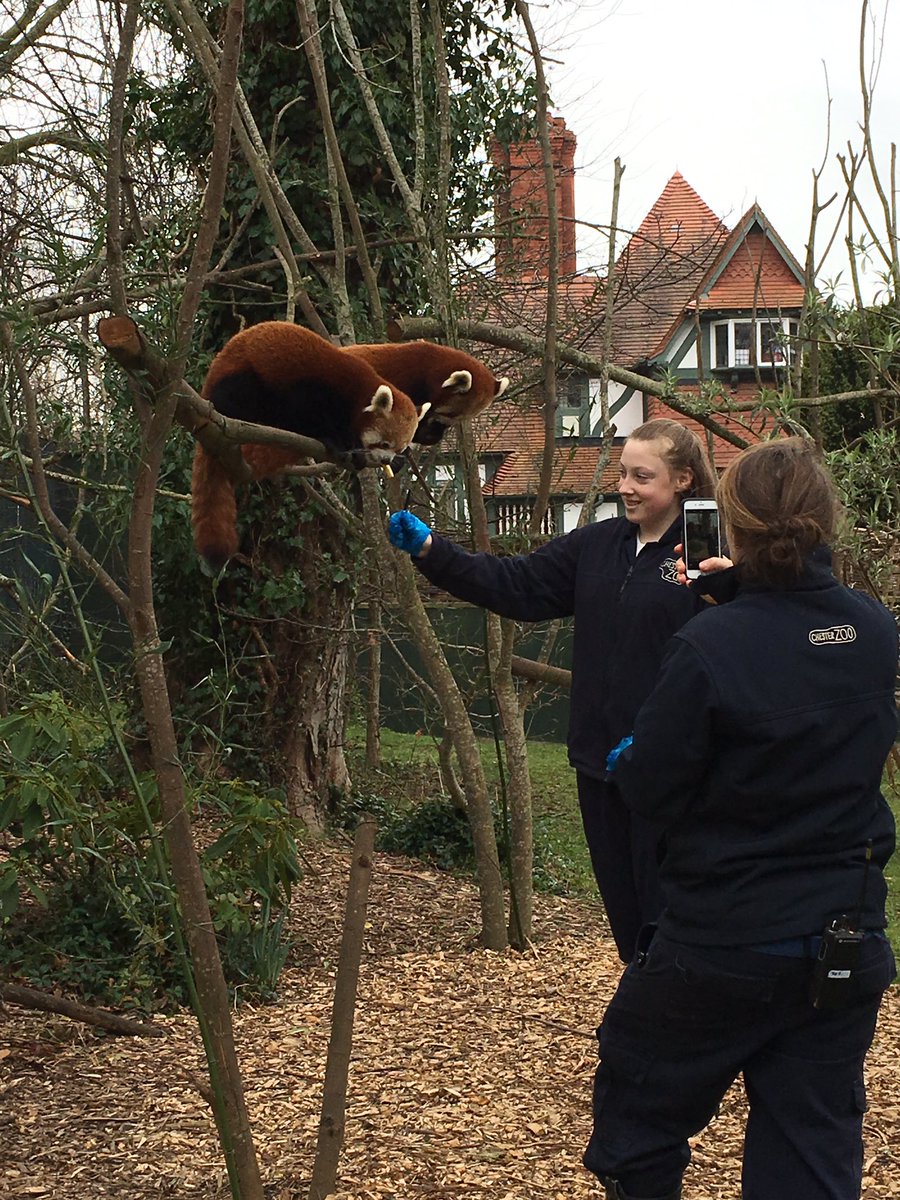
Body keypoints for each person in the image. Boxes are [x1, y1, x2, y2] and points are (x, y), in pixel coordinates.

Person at [583, 437, 898, 1200]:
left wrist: (627, 760)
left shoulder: (708, 646)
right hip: (840, 941)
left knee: (636, 1127)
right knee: (812, 1152)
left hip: (723, 943)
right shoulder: (874, 630)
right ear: (824, 522)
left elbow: (651, 786)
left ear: (734, 527)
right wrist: (743, 600)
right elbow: (802, 663)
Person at [388, 417, 717, 962]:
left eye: (643, 477)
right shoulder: (599, 545)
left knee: (674, 915)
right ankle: (647, 1014)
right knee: (627, 918)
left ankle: (677, 1022)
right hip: (599, 764)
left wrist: (715, 579)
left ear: (682, 480)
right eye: (622, 474)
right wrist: (433, 552)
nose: (626, 487)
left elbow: (729, 640)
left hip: (673, 771)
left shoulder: (704, 551)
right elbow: (519, 585)